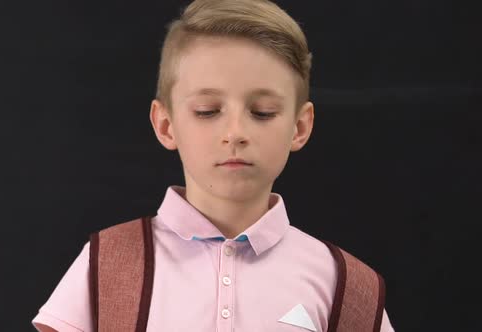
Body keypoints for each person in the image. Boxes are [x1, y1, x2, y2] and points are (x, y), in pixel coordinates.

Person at [31, 0, 395, 331]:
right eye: (208, 111)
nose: (235, 132)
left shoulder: (346, 283)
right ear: (165, 125)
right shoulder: (110, 261)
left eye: (262, 112)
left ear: (299, 128)